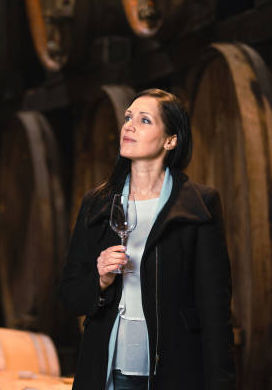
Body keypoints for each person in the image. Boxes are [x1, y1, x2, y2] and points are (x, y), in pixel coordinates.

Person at [59, 89, 235, 389]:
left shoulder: (198, 205)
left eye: (144, 120)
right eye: (128, 117)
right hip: (108, 370)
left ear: (171, 140)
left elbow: (214, 308)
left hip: (174, 371)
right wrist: (99, 278)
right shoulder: (98, 203)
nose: (129, 126)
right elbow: (70, 296)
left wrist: (221, 382)